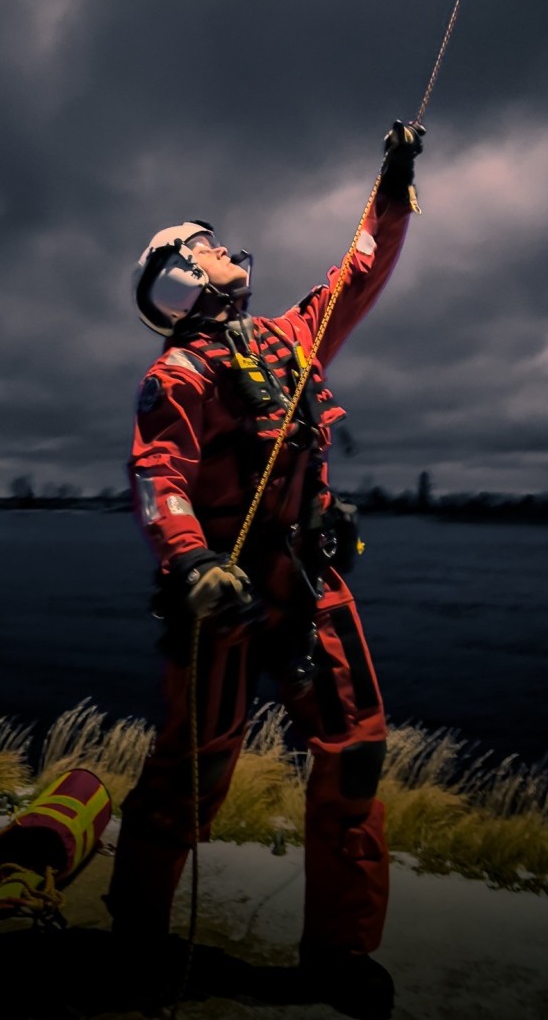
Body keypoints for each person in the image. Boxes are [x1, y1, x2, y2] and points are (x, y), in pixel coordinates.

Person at [107, 121, 423, 1020]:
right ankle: (136, 934)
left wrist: (393, 184)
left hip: (309, 586)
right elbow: (156, 476)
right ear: (176, 276)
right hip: (224, 597)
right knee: (192, 772)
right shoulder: (177, 376)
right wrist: (193, 559)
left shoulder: (289, 341)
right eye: (203, 246)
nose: (222, 250)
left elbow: (359, 268)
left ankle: (338, 953)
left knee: (354, 758)